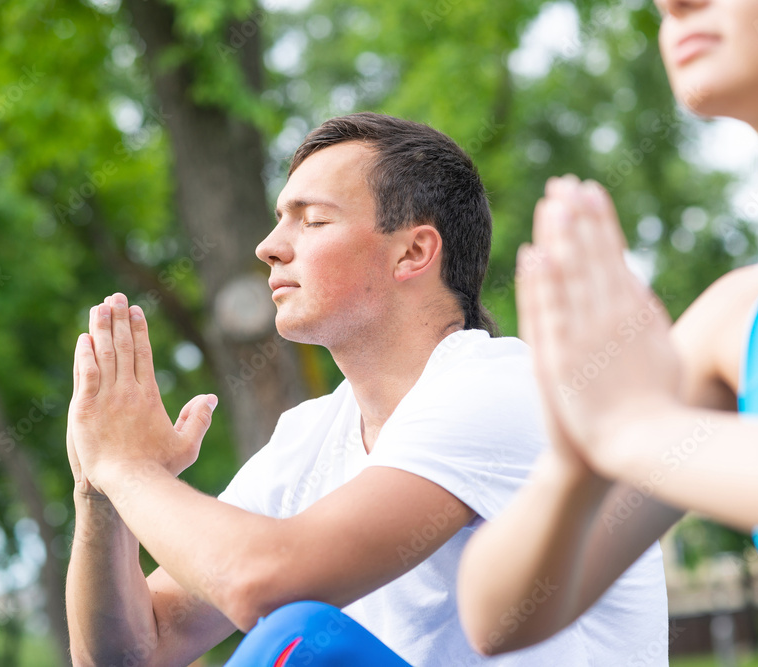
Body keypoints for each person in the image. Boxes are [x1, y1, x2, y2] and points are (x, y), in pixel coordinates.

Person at [64, 112, 669, 666]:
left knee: (297, 644)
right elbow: (132, 653)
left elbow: (261, 582)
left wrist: (129, 468)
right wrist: (100, 493)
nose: (269, 247)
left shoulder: (497, 390)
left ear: (412, 252)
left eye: (313, 219)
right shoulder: (307, 437)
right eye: (280, 219)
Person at [458, 1, 758, 664]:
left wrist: (637, 429)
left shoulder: (651, 411)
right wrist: (576, 461)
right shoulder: (736, 321)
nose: (673, 4)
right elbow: (497, 617)